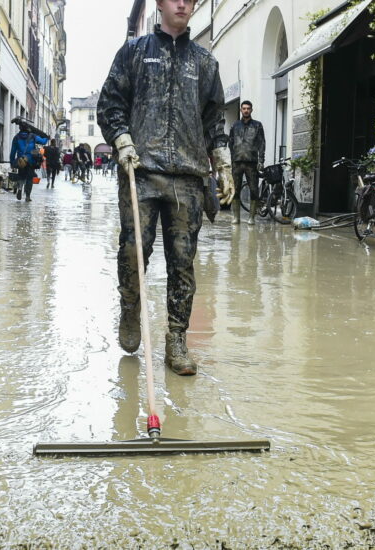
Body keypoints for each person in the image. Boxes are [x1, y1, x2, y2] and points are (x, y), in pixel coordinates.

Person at [98, 0, 234, 376]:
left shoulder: (205, 63)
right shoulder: (134, 53)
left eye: (189, 0)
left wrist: (222, 161)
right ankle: (130, 308)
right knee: (132, 252)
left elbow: (213, 120)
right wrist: (122, 139)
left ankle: (176, 339)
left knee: (182, 263)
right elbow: (110, 102)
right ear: (159, 3)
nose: (182, 4)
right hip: (140, 172)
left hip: (188, 179)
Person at [228, 100, 266, 225]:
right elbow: (230, 142)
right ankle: (236, 217)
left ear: (251, 110)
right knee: (235, 190)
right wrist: (232, 158)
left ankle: (251, 218)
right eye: (244, 108)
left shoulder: (257, 125)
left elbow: (262, 143)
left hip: (252, 162)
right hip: (237, 162)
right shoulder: (235, 125)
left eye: (248, 108)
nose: (246, 110)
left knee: (254, 190)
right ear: (240, 110)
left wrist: (261, 160)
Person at [9, 124, 48, 202]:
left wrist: (12, 162)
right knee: (29, 179)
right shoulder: (33, 136)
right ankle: (27, 196)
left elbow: (13, 151)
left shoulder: (16, 137)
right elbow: (43, 142)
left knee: (21, 176)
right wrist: (46, 137)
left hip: (21, 161)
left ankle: (20, 188)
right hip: (31, 161)